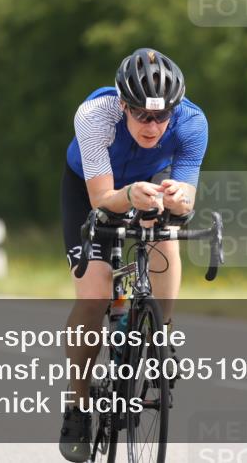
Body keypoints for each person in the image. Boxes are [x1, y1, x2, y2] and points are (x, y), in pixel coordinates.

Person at [58, 47, 208, 462]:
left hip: (147, 184)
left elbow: (188, 193)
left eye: (162, 117)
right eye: (142, 115)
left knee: (166, 237)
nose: (153, 125)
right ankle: (77, 403)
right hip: (92, 188)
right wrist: (128, 196)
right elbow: (102, 199)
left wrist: (180, 198)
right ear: (123, 104)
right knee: (94, 294)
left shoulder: (193, 122)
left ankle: (162, 332)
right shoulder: (95, 115)